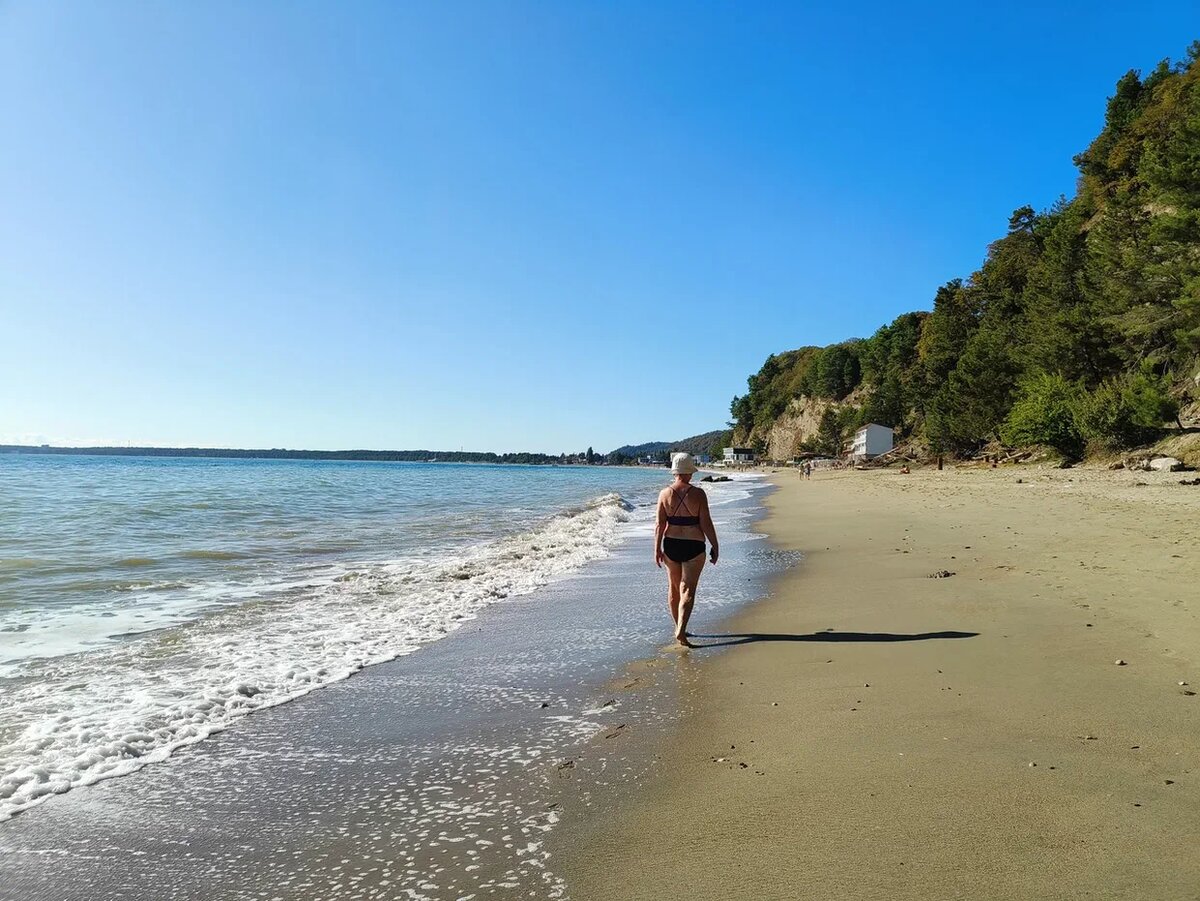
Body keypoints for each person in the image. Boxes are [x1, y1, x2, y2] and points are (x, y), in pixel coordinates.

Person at [654, 452, 719, 647]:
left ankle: (678, 626)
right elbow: (706, 523)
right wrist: (715, 545)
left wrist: (656, 549)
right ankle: (681, 630)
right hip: (694, 545)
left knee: (674, 588)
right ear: (690, 472)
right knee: (688, 588)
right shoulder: (698, 494)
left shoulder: (664, 494)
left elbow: (659, 525)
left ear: (675, 472)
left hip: (671, 544)